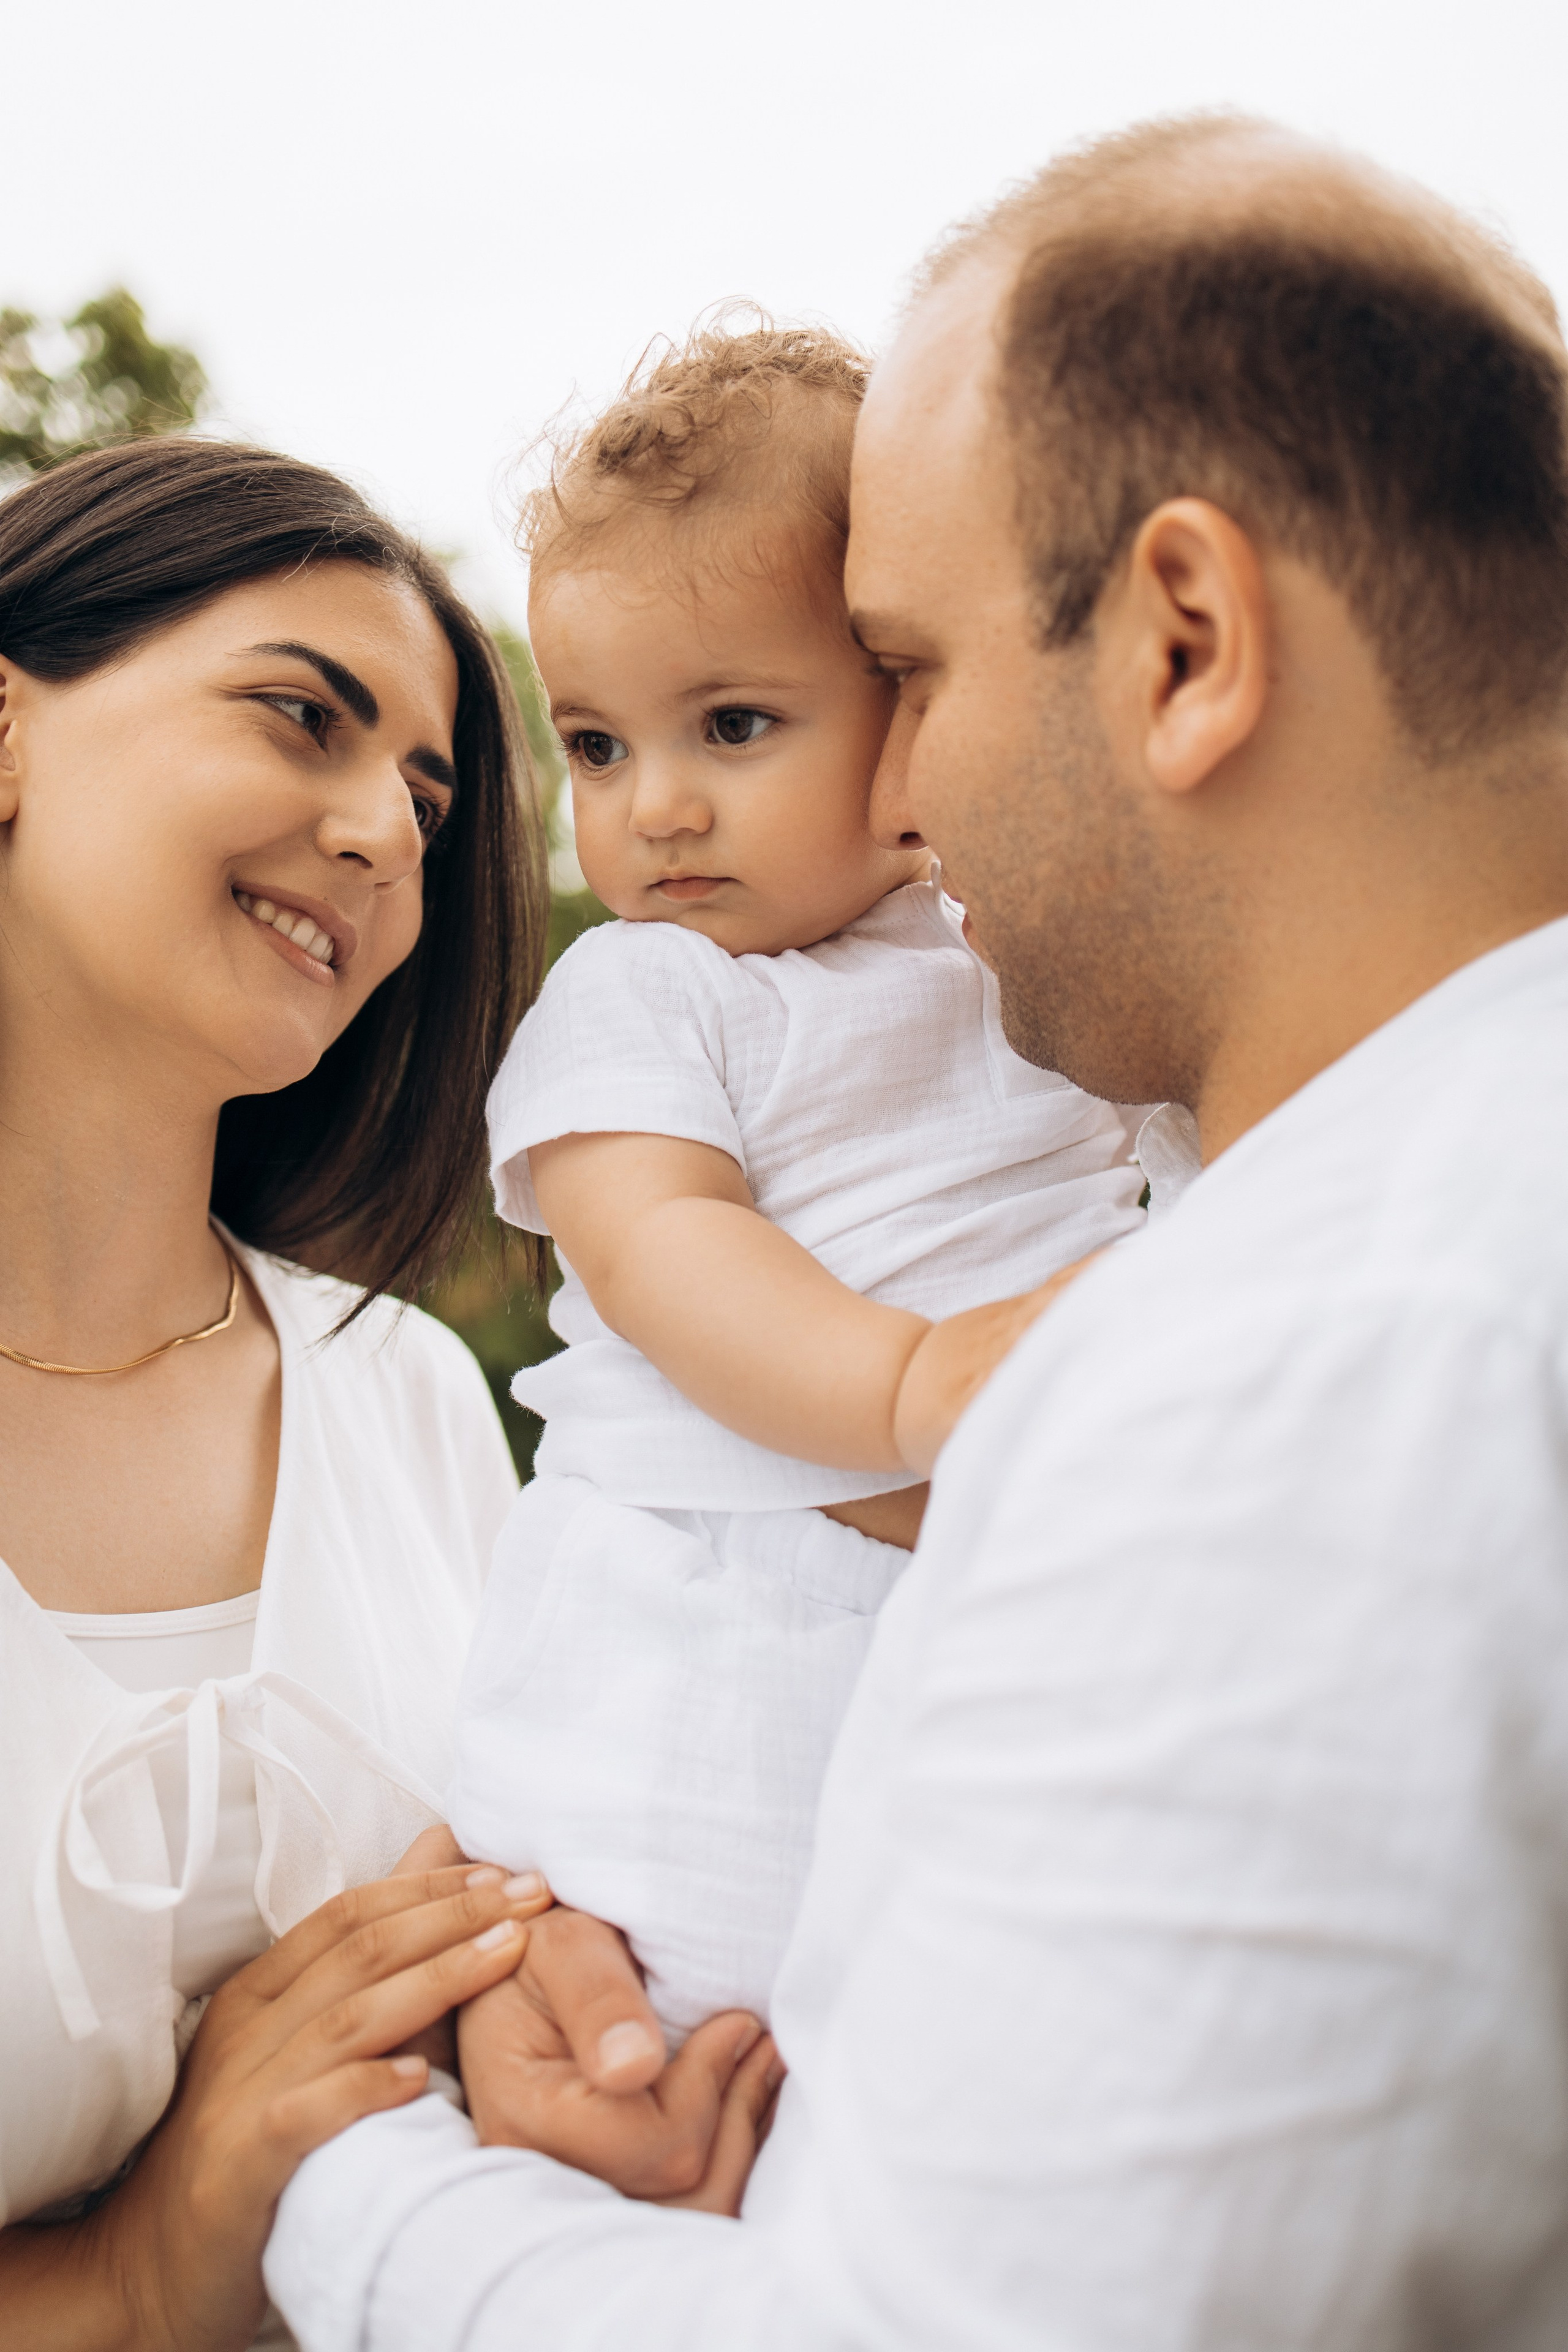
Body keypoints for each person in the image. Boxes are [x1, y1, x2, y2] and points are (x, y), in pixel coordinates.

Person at [266, 113, 1568, 2348]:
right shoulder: (1392, 1211)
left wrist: (334, 2171)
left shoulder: (1306, 1368)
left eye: (918, 670)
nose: (902, 797)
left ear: (1183, 640)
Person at [450, 322, 1144, 2063]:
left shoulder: (1014, 954)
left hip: (988, 1586)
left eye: (735, 724)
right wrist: (908, 1388)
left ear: (908, 704)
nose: (655, 812)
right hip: (715, 1608)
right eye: (596, 748)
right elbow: (665, 1246)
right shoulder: (653, 991)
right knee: (725, 1980)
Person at [0, 435, 573, 2352]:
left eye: (425, 792)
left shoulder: (412, 1403)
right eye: (299, 716)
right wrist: (121, 2274)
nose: (391, 835)